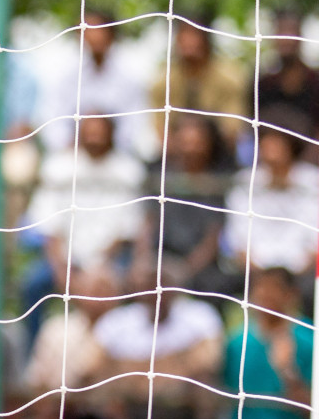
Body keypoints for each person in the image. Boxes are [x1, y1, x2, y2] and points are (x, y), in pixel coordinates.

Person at [93, 274, 225, 419]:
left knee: (204, 379)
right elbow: (96, 366)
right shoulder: (117, 322)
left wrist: (138, 369)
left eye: (165, 287)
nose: (159, 295)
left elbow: (208, 361)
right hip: (131, 406)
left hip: (183, 406)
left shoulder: (199, 316)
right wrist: (176, 363)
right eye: (152, 288)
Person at [27, 115, 145, 279]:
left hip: (113, 260)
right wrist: (63, 270)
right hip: (64, 259)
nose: (94, 140)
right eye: (90, 134)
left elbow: (128, 228)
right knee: (34, 282)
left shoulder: (128, 172)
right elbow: (49, 227)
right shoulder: (58, 168)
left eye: (100, 134)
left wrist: (100, 266)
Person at [138, 115, 232, 299]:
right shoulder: (159, 177)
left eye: (197, 143)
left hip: (200, 267)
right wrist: (142, 261)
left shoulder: (218, 183)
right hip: (161, 257)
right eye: (185, 142)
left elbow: (213, 238)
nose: (190, 149)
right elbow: (148, 224)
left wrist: (185, 271)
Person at [21, 267, 121, 419]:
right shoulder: (56, 331)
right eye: (94, 288)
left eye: (105, 288)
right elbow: (37, 382)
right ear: (78, 290)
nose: (99, 295)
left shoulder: (128, 334)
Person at [38, 9, 148, 157]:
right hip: (72, 155)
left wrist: (112, 147)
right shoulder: (64, 75)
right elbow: (53, 120)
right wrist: (69, 145)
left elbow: (135, 124)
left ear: (111, 35)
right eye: (88, 30)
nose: (94, 36)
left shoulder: (130, 78)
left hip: (116, 157)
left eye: (99, 30)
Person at [223, 118, 319, 279]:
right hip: (254, 269)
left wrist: (301, 269)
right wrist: (257, 271)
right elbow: (237, 235)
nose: (272, 151)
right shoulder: (245, 182)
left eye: (278, 145)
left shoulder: (312, 181)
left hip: (301, 270)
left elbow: (314, 234)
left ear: (291, 146)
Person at [224, 267, 312, 419]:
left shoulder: (310, 341)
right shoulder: (237, 343)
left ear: (291, 294)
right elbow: (226, 399)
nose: (265, 294)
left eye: (274, 288)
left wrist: (288, 372)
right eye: (260, 287)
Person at [149, 17, 248, 157]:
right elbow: (161, 130)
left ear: (206, 39)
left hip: (220, 155)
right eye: (184, 35)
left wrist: (201, 141)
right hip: (175, 157)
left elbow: (232, 129)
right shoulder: (163, 81)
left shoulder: (229, 79)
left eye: (194, 35)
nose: (189, 42)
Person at [255, 10, 319, 138]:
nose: (285, 39)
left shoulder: (315, 83)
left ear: (300, 35)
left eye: (290, 31)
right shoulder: (264, 85)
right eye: (281, 32)